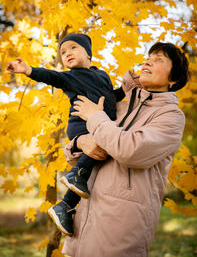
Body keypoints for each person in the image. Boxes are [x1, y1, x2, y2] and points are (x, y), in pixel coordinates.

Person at [61, 42, 190, 257]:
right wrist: (79, 142)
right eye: (149, 56)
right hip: (82, 220)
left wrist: (95, 117)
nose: (148, 61)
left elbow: (131, 151)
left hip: (120, 226)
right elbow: (74, 154)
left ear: (173, 79)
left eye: (159, 59)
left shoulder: (171, 117)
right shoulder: (117, 105)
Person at [6, 33, 125, 236]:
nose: (67, 53)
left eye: (73, 48)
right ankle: (76, 174)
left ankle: (65, 207)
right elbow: (53, 77)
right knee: (99, 146)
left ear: (88, 54)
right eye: (63, 52)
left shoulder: (102, 75)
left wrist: (127, 89)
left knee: (98, 156)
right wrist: (28, 70)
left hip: (100, 123)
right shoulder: (71, 77)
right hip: (81, 125)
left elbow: (111, 97)